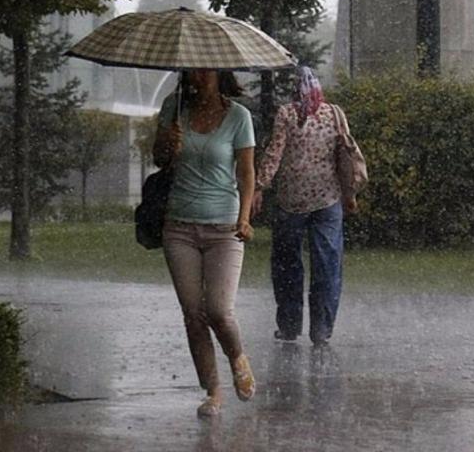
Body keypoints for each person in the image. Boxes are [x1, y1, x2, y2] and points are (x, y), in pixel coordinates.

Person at [152, 70, 256, 418]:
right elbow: (159, 159)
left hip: (224, 227)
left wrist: (244, 217)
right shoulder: (174, 107)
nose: (199, 75)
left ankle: (237, 358)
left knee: (218, 311)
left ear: (219, 72)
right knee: (193, 314)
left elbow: (246, 173)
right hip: (178, 227)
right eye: (193, 68)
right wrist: (168, 142)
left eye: (207, 68)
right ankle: (212, 391)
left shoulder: (239, 117)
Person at [252, 66, 367, 346]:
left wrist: (259, 186)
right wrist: (349, 193)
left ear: (294, 89)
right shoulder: (334, 113)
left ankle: (290, 326)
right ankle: (322, 330)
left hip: (291, 201)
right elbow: (345, 157)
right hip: (328, 200)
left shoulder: (287, 113)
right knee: (327, 265)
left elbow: (274, 153)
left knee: (287, 265)